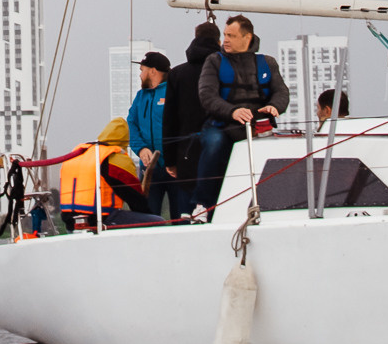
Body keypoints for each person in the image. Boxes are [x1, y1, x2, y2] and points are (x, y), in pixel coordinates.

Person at [194, 15, 289, 204]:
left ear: (247, 38)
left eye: (232, 35)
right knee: (214, 144)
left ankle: (277, 201)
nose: (226, 40)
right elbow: (207, 95)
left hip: (257, 126)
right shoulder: (214, 61)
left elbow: (282, 93)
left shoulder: (267, 63)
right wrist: (233, 111)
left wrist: (274, 106)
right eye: (225, 34)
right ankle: (203, 204)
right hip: (222, 125)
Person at [163, 21, 220, 217]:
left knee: (185, 215)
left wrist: (169, 159)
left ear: (195, 37)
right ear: (219, 40)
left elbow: (169, 119)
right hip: (220, 151)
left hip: (186, 153)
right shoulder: (224, 70)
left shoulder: (178, 74)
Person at [58, 118, 148, 225]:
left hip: (70, 222)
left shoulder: (78, 153)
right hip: (101, 220)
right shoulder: (113, 157)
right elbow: (135, 197)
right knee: (157, 221)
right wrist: (147, 213)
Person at [124, 52, 173, 214]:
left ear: (152, 71)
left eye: (142, 70)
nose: (140, 74)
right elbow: (131, 124)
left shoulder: (173, 92)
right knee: (147, 216)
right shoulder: (140, 96)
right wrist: (141, 148)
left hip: (175, 167)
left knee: (181, 218)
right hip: (149, 169)